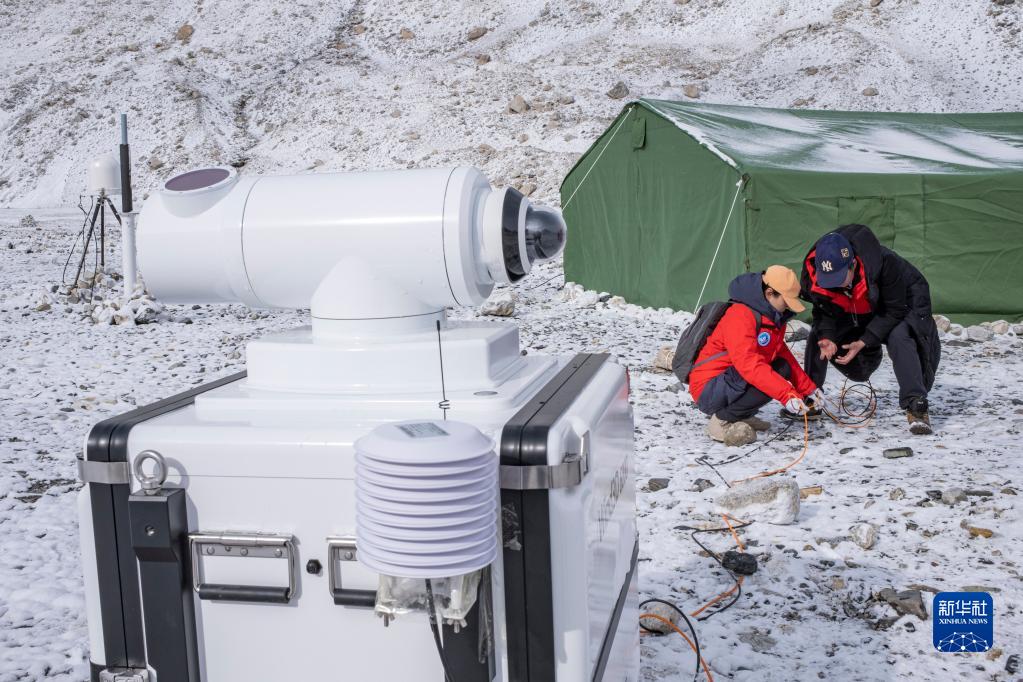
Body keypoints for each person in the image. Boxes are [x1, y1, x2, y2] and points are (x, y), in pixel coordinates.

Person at [799, 224, 940, 434]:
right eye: (828, 280)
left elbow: (894, 310)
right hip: (856, 309)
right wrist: (827, 336)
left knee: (900, 335)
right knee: (818, 337)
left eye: (838, 278)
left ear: (853, 265)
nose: (833, 285)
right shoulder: (817, 276)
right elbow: (823, 311)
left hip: (896, 305)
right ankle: (810, 398)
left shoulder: (886, 264)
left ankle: (916, 404)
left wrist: (865, 340)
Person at [689, 266, 821, 447]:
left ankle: (741, 415)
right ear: (769, 293)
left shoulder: (773, 316)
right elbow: (749, 365)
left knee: (781, 367)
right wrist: (787, 395)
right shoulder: (741, 315)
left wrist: (809, 389)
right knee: (762, 372)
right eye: (786, 301)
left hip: (732, 380)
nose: (789, 306)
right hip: (708, 389)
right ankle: (721, 420)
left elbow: (781, 353)